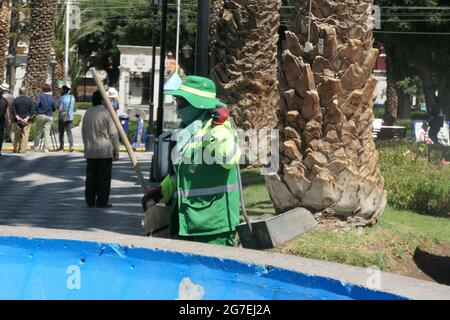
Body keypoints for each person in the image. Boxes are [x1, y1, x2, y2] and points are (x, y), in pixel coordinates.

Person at [141, 76, 241, 247]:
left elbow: (228, 158)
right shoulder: (188, 130)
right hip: (186, 222)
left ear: (198, 104)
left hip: (212, 224)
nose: (178, 107)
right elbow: (185, 172)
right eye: (177, 101)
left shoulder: (219, 127)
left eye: (182, 102)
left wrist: (217, 127)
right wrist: (162, 190)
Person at [82, 91, 120, 209]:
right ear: (102, 100)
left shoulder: (87, 112)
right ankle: (102, 201)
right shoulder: (106, 113)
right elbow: (113, 133)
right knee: (104, 178)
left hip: (90, 150)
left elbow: (84, 131)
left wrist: (86, 145)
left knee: (91, 177)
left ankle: (90, 201)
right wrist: (116, 149)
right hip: (104, 151)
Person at [33, 84, 56, 152]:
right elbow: (54, 107)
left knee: (38, 132)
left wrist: (36, 111)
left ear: (43, 89)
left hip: (40, 115)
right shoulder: (52, 97)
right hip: (49, 116)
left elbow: (36, 104)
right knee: (47, 132)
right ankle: (46, 148)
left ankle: (36, 147)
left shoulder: (40, 96)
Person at [11, 87, 33, 154]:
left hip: (16, 121)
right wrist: (26, 118)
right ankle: (22, 150)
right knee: (25, 135)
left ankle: (16, 149)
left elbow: (13, 110)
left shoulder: (15, 100)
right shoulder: (29, 100)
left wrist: (18, 118)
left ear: (19, 91)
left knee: (16, 135)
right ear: (25, 92)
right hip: (27, 121)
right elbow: (32, 111)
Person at [57, 85, 75, 152]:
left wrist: (57, 107)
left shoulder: (62, 98)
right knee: (69, 132)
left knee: (61, 133)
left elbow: (60, 109)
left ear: (64, 90)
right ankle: (71, 146)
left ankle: (61, 147)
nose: (60, 91)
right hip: (70, 117)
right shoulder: (72, 97)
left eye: (61, 90)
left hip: (62, 118)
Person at [0, 89, 9, 157]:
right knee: (0, 136)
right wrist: (7, 120)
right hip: (1, 121)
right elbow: (6, 112)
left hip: (2, 120)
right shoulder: (5, 101)